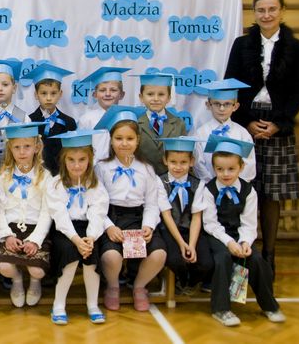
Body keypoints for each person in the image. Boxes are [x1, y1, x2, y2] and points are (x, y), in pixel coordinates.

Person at [224, 0, 299, 271]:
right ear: (254, 12)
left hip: (277, 124)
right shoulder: (241, 44)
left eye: (272, 9)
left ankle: (269, 255)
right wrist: (246, 121)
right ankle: (242, 253)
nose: (266, 14)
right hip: (245, 122)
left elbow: (298, 91)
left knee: (271, 194)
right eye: (261, 10)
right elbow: (231, 84)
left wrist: (278, 124)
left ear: (282, 11)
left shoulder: (296, 47)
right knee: (242, 188)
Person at [198, 135, 285, 327]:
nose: (225, 174)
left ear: (241, 167)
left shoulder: (249, 191)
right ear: (214, 168)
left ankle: (270, 306)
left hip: (239, 234)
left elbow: (249, 224)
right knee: (223, 258)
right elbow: (210, 224)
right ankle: (221, 309)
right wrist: (229, 243)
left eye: (231, 169)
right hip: (216, 235)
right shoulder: (208, 190)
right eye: (219, 169)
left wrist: (245, 242)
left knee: (255, 259)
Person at [95, 106, 166, 312]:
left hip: (138, 218)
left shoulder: (147, 169)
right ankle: (113, 286)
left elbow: (152, 204)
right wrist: (108, 226)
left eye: (129, 138)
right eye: (119, 138)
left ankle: (139, 286)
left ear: (138, 140)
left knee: (159, 254)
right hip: (112, 217)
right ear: (111, 140)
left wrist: (148, 226)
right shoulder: (101, 168)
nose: (124, 143)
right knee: (111, 257)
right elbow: (96, 203)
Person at [47, 130, 109, 325]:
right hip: (64, 231)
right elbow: (59, 215)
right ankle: (58, 304)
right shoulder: (55, 184)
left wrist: (91, 238)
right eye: (71, 160)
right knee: (70, 256)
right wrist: (76, 240)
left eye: (82, 160)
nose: (76, 165)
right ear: (63, 160)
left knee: (91, 256)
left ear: (90, 160)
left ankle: (92, 305)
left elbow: (98, 211)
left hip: (89, 229)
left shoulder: (95, 184)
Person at [0, 123, 52, 308]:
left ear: (36, 147)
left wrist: (35, 240)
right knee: (4, 267)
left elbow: (47, 212)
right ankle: (17, 281)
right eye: (17, 147)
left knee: (37, 270)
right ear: (10, 149)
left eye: (27, 146)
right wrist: (7, 235)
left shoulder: (46, 177)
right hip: (11, 229)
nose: (22, 152)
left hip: (36, 229)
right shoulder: (3, 176)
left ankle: (35, 283)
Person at [156, 137, 213, 294]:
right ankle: (180, 281)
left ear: (192, 161)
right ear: (165, 161)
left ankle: (191, 283)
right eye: (173, 162)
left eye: (183, 162)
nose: (178, 167)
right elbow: (166, 215)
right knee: (175, 260)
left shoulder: (199, 184)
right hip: (169, 230)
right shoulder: (160, 182)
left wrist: (191, 245)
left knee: (206, 263)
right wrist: (182, 244)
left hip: (190, 229)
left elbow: (196, 217)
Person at [192, 79, 256, 184]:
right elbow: (199, 164)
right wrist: (213, 185)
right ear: (208, 105)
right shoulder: (201, 133)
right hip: (209, 186)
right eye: (217, 103)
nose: (221, 109)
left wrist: (236, 184)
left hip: (237, 188)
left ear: (235, 106)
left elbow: (249, 163)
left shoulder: (242, 133)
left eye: (227, 104)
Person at [27, 63, 77, 175]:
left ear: (60, 94)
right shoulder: (29, 121)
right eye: (44, 93)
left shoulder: (69, 122)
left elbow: (72, 152)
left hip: (63, 175)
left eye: (53, 93)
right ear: (36, 95)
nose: (49, 98)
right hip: (37, 175)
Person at [136, 73, 186, 175]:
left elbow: (184, 155)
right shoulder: (135, 123)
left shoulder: (178, 124)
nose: (156, 99)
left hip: (171, 177)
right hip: (142, 177)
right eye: (150, 94)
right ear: (141, 97)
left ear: (168, 98)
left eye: (161, 94)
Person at [77, 66, 129, 163]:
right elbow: (81, 148)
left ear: (121, 94)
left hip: (122, 166)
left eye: (113, 90)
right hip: (94, 167)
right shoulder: (86, 119)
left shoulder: (126, 118)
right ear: (95, 94)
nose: (108, 94)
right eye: (102, 90)